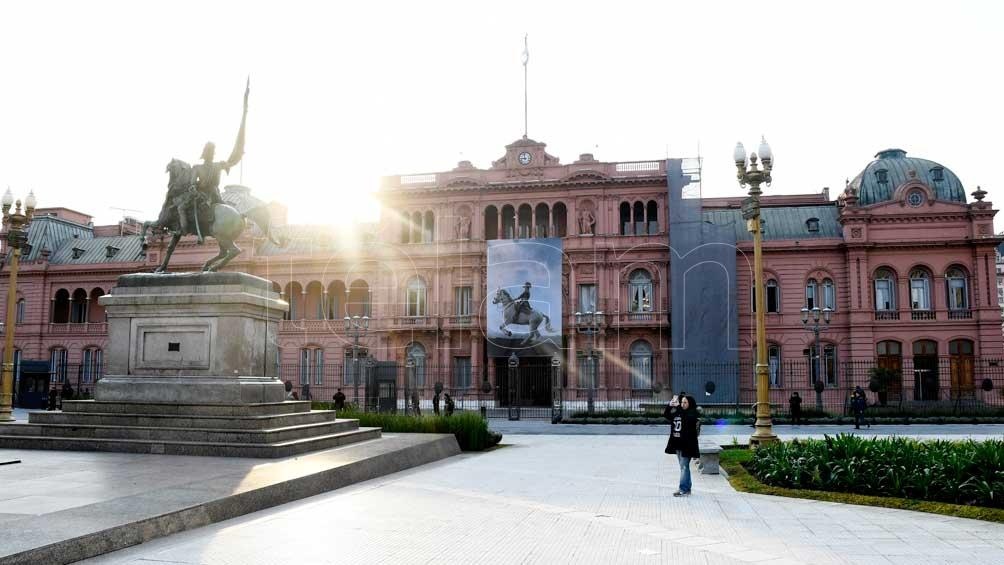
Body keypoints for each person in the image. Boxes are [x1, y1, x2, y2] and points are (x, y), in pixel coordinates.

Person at [663, 393, 700, 496]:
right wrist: (670, 405)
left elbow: (686, 419)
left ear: (690, 404)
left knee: (684, 467)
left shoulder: (692, 414)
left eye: (685, 402)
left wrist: (678, 406)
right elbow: (666, 415)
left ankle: (683, 489)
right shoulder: (678, 413)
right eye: (682, 402)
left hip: (687, 446)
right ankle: (687, 488)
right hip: (677, 444)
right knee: (683, 467)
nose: (682, 404)